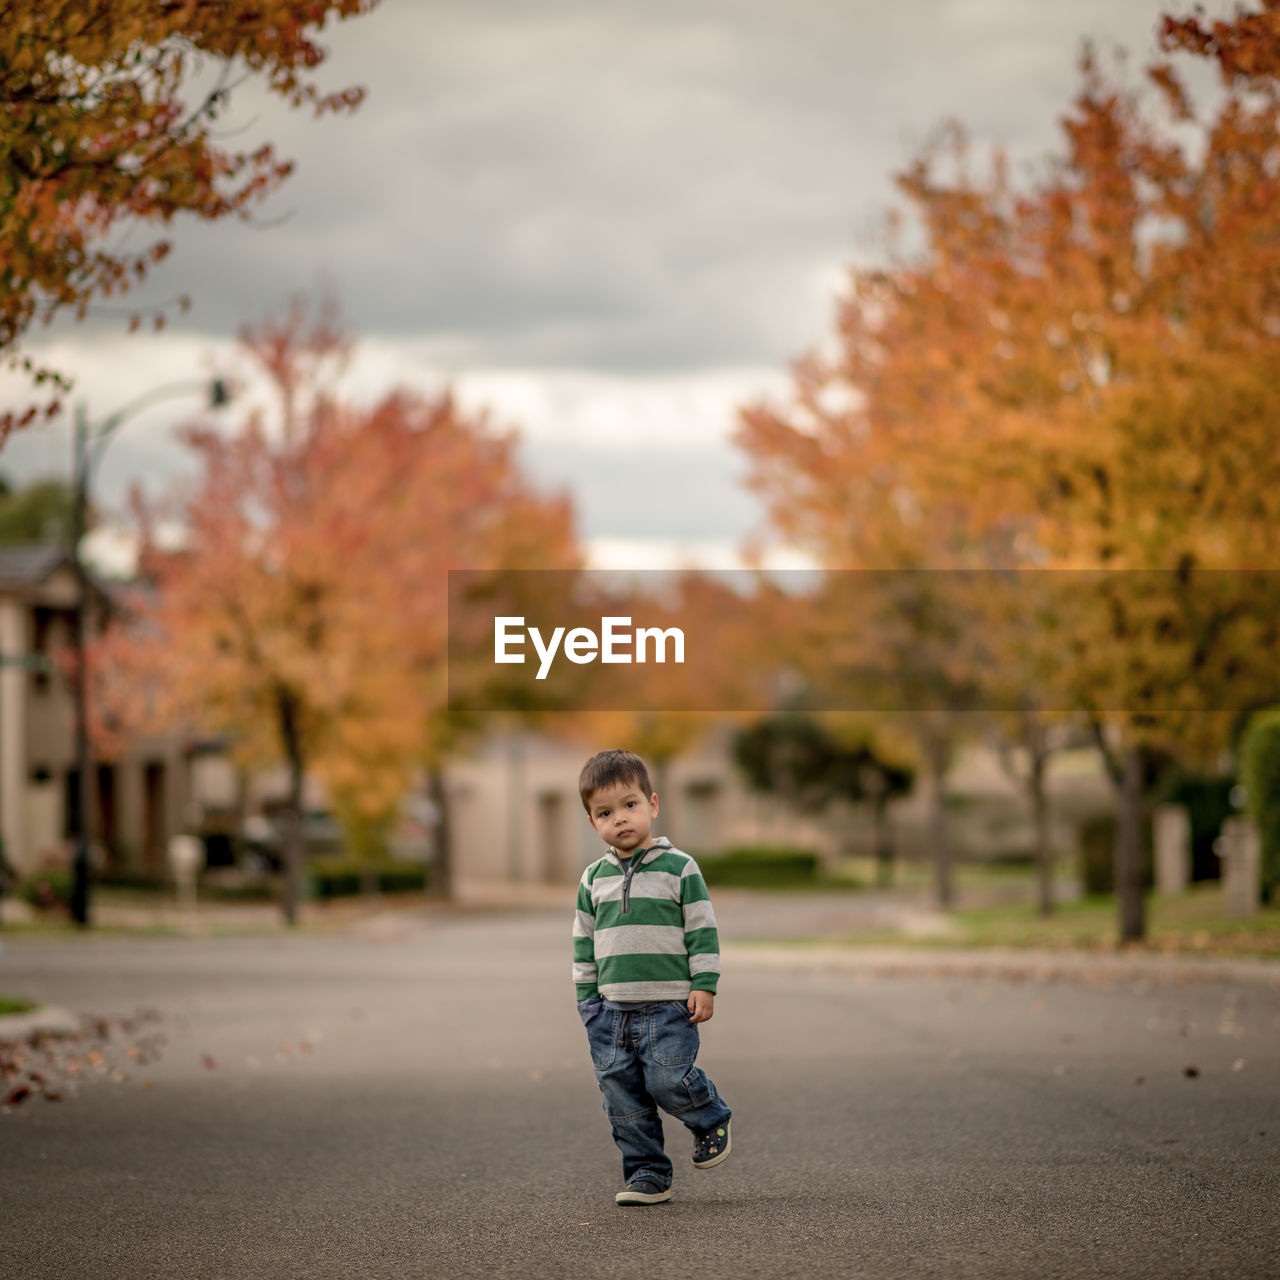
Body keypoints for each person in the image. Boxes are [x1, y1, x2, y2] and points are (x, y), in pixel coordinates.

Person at [573, 748, 733, 1207]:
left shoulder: (680, 868)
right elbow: (583, 941)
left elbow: (702, 931)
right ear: (592, 822)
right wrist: (587, 1001)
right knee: (622, 1099)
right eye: (605, 812)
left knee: (667, 1080)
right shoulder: (592, 878)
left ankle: (709, 1115)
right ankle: (647, 1174)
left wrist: (704, 984)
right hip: (609, 1011)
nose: (620, 819)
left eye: (630, 805)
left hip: (668, 1006)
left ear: (653, 805)